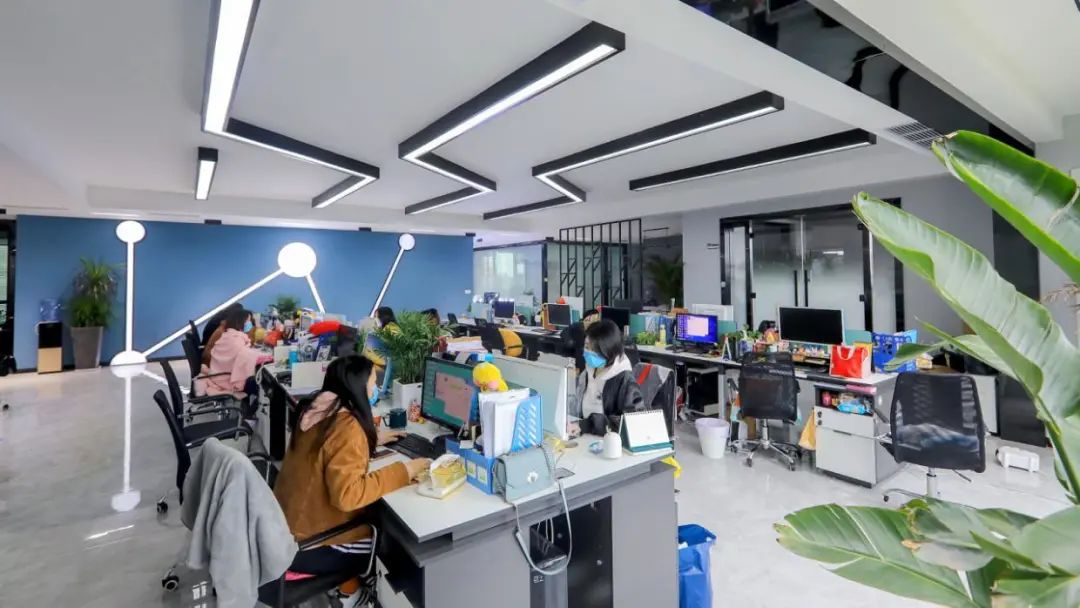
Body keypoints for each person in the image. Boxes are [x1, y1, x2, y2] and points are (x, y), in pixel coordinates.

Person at [274, 355, 430, 606]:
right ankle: (353, 596)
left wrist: (369, 439)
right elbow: (348, 496)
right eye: (373, 382)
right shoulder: (347, 427)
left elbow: (330, 451)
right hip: (310, 544)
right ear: (357, 387)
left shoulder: (317, 411)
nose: (375, 389)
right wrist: (405, 470)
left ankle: (348, 590)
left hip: (287, 528)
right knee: (385, 542)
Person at [570, 319, 644, 436]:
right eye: (586, 346)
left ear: (607, 351)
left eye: (592, 350)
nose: (586, 353)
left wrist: (587, 425)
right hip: (583, 432)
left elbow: (631, 422)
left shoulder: (624, 379)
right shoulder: (590, 368)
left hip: (608, 439)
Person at [203, 307, 265, 398]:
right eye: (248, 321)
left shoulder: (228, 334)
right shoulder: (235, 340)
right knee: (257, 379)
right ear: (240, 322)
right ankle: (254, 402)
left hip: (217, 374)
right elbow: (244, 356)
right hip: (225, 379)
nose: (250, 324)